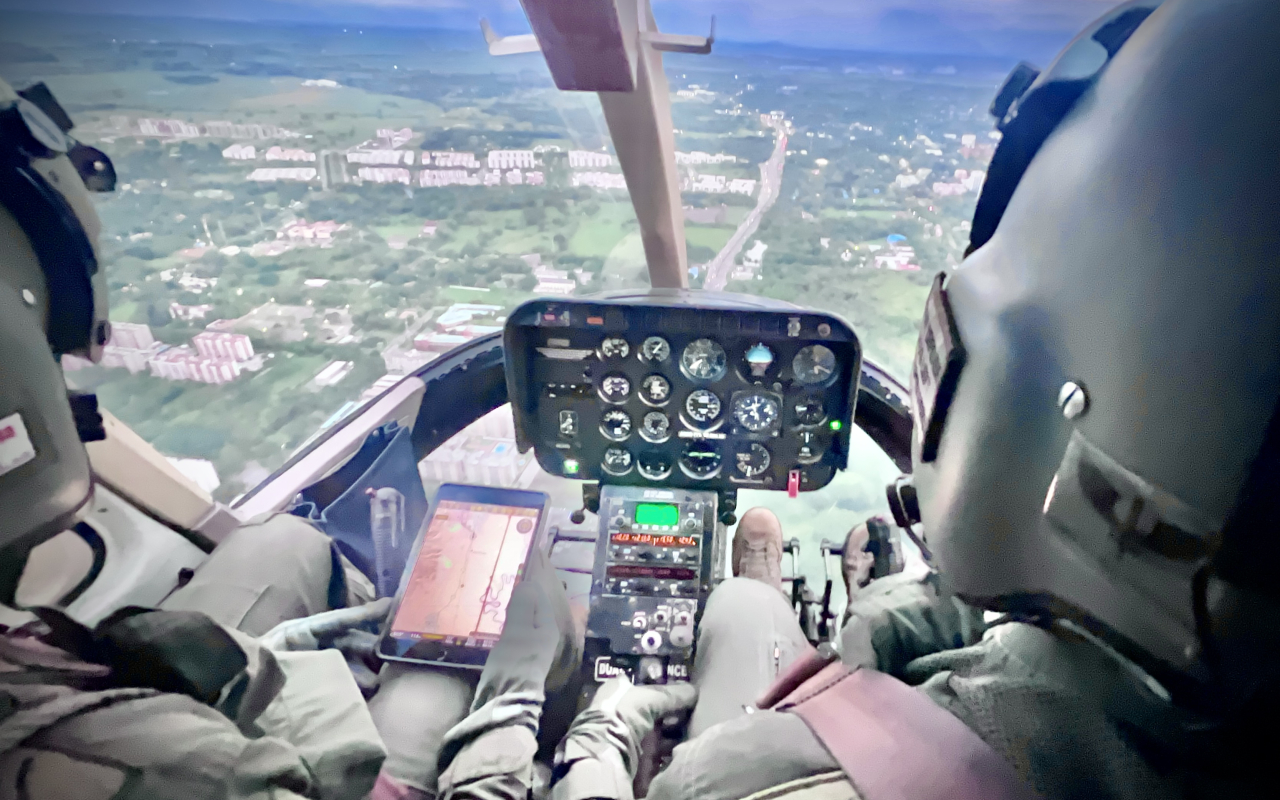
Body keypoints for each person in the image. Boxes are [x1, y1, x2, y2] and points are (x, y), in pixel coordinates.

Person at [491, 2, 1280, 799]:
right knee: (780, 607)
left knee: (731, 606)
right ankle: (829, 598)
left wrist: (606, 727)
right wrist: (889, 622)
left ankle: (758, 599)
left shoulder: (740, 784)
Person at [0, 76, 426, 799]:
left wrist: (253, 665)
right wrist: (562, 720)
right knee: (502, 627)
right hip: (234, 764)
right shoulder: (159, 775)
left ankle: (373, 660)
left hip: (127, 702)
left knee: (284, 542)